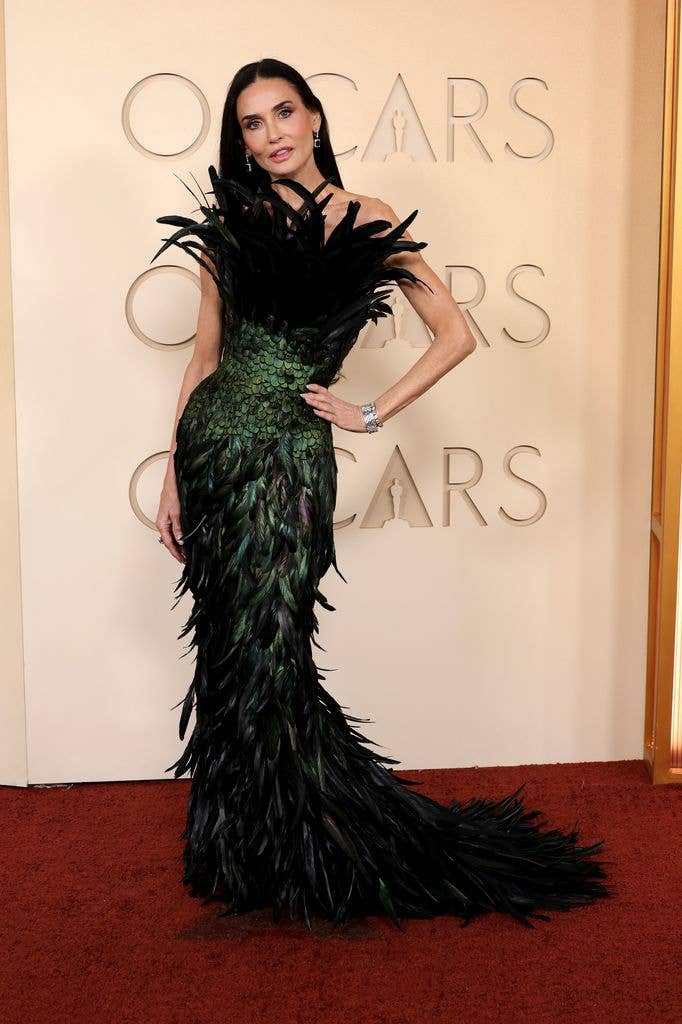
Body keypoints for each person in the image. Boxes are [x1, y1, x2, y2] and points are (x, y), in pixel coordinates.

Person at [151, 58, 615, 931]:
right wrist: (174, 470)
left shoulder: (366, 221)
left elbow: (456, 332)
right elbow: (203, 359)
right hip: (214, 449)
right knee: (226, 654)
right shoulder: (227, 228)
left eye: (284, 112)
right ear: (242, 144)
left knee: (274, 652)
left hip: (290, 457)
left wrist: (369, 410)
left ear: (316, 117)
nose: (272, 132)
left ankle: (318, 839)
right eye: (252, 123)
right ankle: (247, 850)